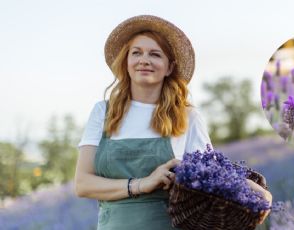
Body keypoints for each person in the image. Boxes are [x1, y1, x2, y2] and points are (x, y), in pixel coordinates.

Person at [74, 15, 271, 230]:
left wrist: (255, 191)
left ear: (169, 67)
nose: (144, 60)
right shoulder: (103, 112)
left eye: (155, 54)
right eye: (136, 52)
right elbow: (83, 184)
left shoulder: (187, 116)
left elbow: (214, 177)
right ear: (126, 62)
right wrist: (142, 184)